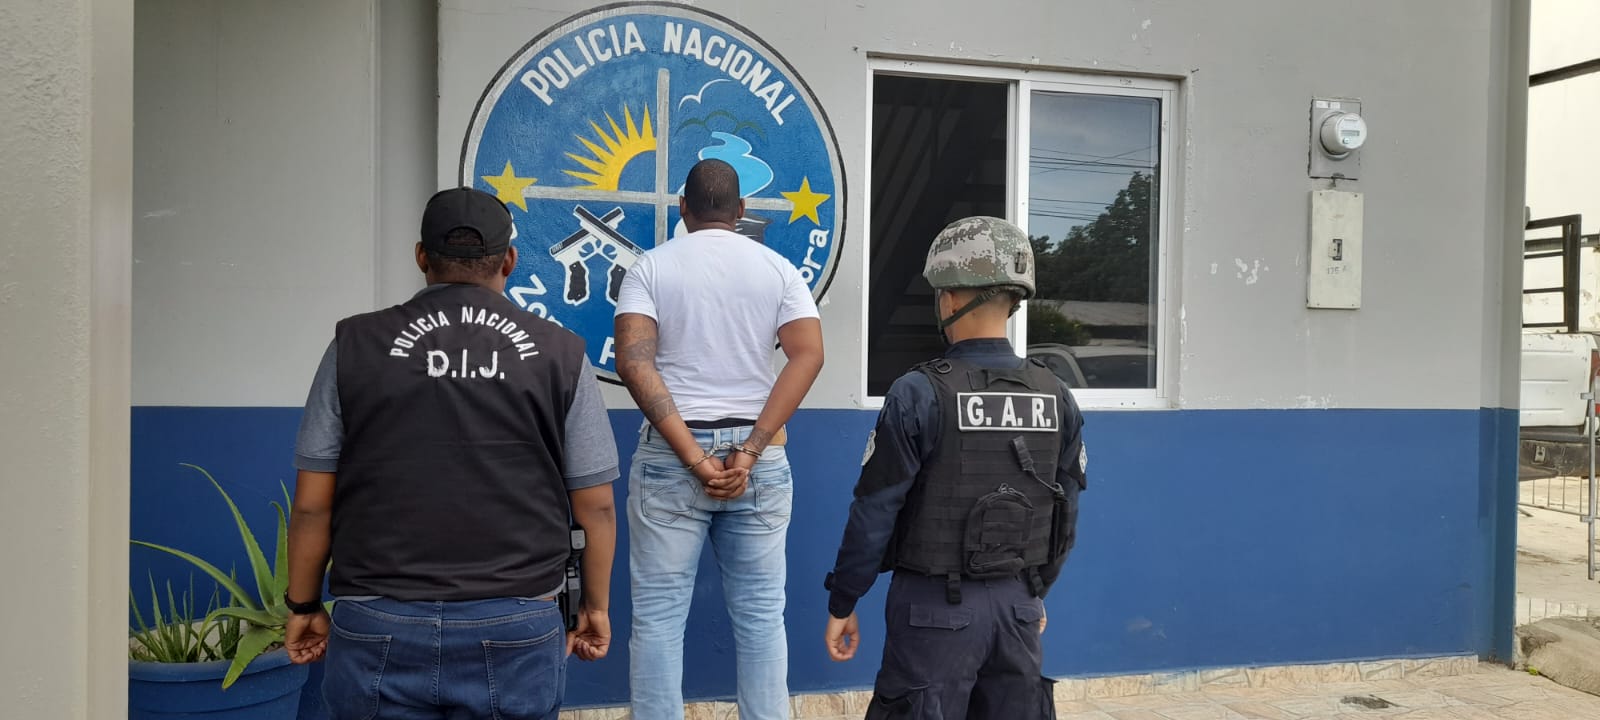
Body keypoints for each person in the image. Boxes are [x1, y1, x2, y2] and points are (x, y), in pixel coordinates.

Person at [281, 187, 619, 720]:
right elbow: (595, 505)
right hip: (515, 625)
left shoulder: (354, 345)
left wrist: (302, 604)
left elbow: (311, 504)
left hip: (377, 622)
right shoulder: (561, 353)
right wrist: (594, 605)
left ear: (422, 257)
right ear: (509, 260)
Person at [821, 216, 1087, 719]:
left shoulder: (919, 392)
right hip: (1018, 607)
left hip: (932, 610)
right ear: (1014, 300)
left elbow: (875, 511)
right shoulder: (1056, 394)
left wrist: (844, 600)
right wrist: (1033, 592)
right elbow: (1066, 515)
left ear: (948, 298)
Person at [614, 158, 825, 720]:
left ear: (683, 208)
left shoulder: (649, 268)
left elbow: (633, 363)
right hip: (758, 460)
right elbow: (809, 354)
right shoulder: (779, 270)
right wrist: (752, 449)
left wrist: (692, 457)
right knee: (761, 618)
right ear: (741, 211)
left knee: (658, 619)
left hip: (672, 455)